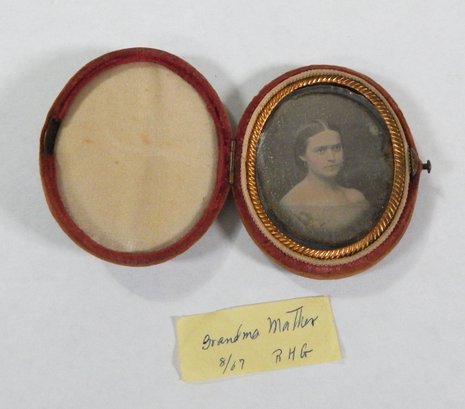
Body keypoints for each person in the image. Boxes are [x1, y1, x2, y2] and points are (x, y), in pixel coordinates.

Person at [279, 120, 371, 245]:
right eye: (321, 150)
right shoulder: (290, 204)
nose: (332, 158)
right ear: (302, 155)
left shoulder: (356, 198)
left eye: (336, 148)